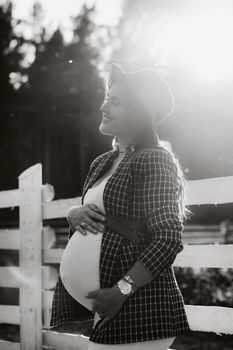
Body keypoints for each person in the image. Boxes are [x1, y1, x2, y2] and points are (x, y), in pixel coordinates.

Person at [50, 62, 192, 349]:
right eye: (106, 97)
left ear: (139, 113)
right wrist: (73, 214)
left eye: (116, 102)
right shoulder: (101, 163)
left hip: (141, 307)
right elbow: (96, 223)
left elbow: (168, 239)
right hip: (109, 309)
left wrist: (121, 289)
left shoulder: (152, 159)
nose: (104, 107)